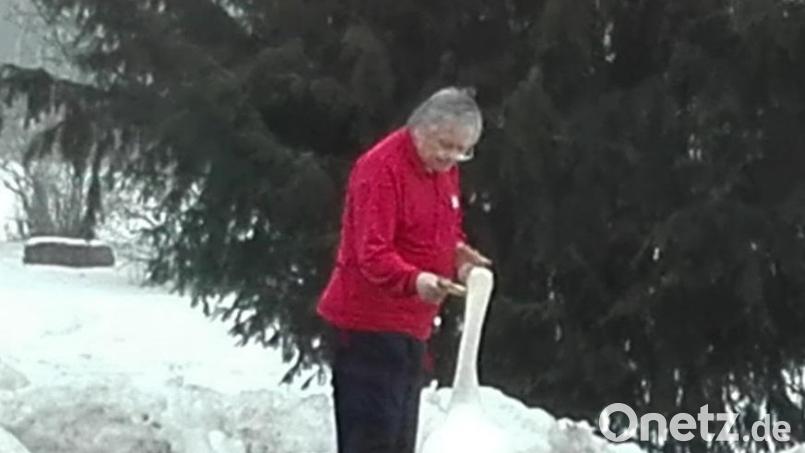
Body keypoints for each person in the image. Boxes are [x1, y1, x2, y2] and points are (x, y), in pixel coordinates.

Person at [316, 86, 491, 453]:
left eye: (464, 150)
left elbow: (442, 227)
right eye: (446, 145)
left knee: (399, 442)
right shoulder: (380, 169)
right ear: (421, 128)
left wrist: (457, 254)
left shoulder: (444, 171)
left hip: (412, 331)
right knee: (371, 442)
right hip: (367, 329)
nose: (453, 157)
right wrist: (416, 280)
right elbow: (372, 252)